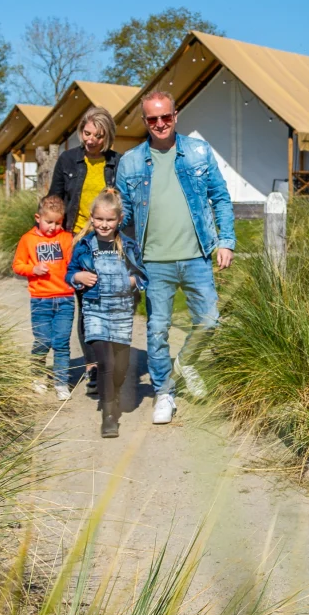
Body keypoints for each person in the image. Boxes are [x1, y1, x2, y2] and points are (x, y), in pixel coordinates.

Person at [115, 89, 233, 425]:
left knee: (209, 321)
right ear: (144, 121)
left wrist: (226, 241)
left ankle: (186, 363)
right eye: (152, 119)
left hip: (196, 256)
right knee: (156, 331)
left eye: (166, 116)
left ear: (176, 115)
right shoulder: (131, 162)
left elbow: (221, 198)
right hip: (153, 262)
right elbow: (123, 217)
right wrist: (109, 235)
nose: (160, 123)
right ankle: (163, 392)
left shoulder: (198, 152)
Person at [47, 106, 121, 396]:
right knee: (87, 305)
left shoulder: (117, 163)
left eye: (98, 136)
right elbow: (55, 198)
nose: (90, 140)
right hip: (78, 243)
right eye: (86, 133)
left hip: (110, 243)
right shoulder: (68, 160)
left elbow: (125, 203)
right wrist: (49, 237)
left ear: (108, 137)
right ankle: (93, 368)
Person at [67, 188, 144, 438]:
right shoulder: (84, 246)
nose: (104, 224)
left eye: (110, 220)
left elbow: (142, 275)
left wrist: (131, 282)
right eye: (99, 219)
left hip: (121, 312)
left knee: (121, 365)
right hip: (95, 310)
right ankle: (109, 415)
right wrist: (78, 276)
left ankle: (115, 390)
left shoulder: (129, 246)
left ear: (119, 220)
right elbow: (70, 272)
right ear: (91, 218)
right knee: (106, 363)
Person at [10, 194, 75, 398]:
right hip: (40, 300)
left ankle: (61, 382)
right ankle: (38, 376)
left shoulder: (66, 238)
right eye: (49, 222)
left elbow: (73, 264)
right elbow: (17, 265)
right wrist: (33, 269)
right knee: (43, 341)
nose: (53, 227)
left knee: (62, 342)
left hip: (65, 298)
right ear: (38, 217)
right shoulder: (28, 240)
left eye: (58, 222)